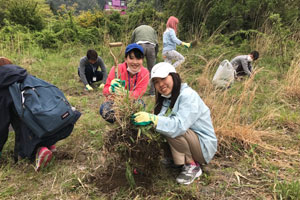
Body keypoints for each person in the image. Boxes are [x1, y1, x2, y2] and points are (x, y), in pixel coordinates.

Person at [132, 62, 217, 185]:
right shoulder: (167, 98)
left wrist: (154, 119)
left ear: (174, 76)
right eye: (156, 81)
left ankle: (192, 165)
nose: (160, 84)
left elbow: (179, 126)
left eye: (163, 78)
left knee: (169, 127)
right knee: (159, 126)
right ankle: (174, 159)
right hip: (190, 140)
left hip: (203, 146)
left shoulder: (188, 95)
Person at [0, 57, 80, 171]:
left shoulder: (3, 88)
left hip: (36, 130)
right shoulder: (26, 76)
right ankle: (49, 144)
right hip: (62, 123)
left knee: (22, 127)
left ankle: (38, 151)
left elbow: (1, 124)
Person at [100, 43, 149, 123]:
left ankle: (130, 123)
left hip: (132, 101)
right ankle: (118, 123)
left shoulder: (145, 73)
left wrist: (124, 93)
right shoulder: (117, 69)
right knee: (105, 109)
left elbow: (139, 93)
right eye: (131, 58)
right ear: (126, 59)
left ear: (142, 60)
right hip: (114, 102)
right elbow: (105, 91)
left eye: (138, 58)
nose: (135, 62)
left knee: (140, 105)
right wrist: (111, 89)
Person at [131, 25, 158, 96]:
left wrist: (131, 56)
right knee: (152, 69)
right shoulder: (152, 29)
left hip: (140, 46)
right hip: (151, 47)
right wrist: (155, 56)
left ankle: (136, 90)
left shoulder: (136, 29)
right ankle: (152, 92)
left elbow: (132, 43)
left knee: (136, 68)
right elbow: (156, 43)